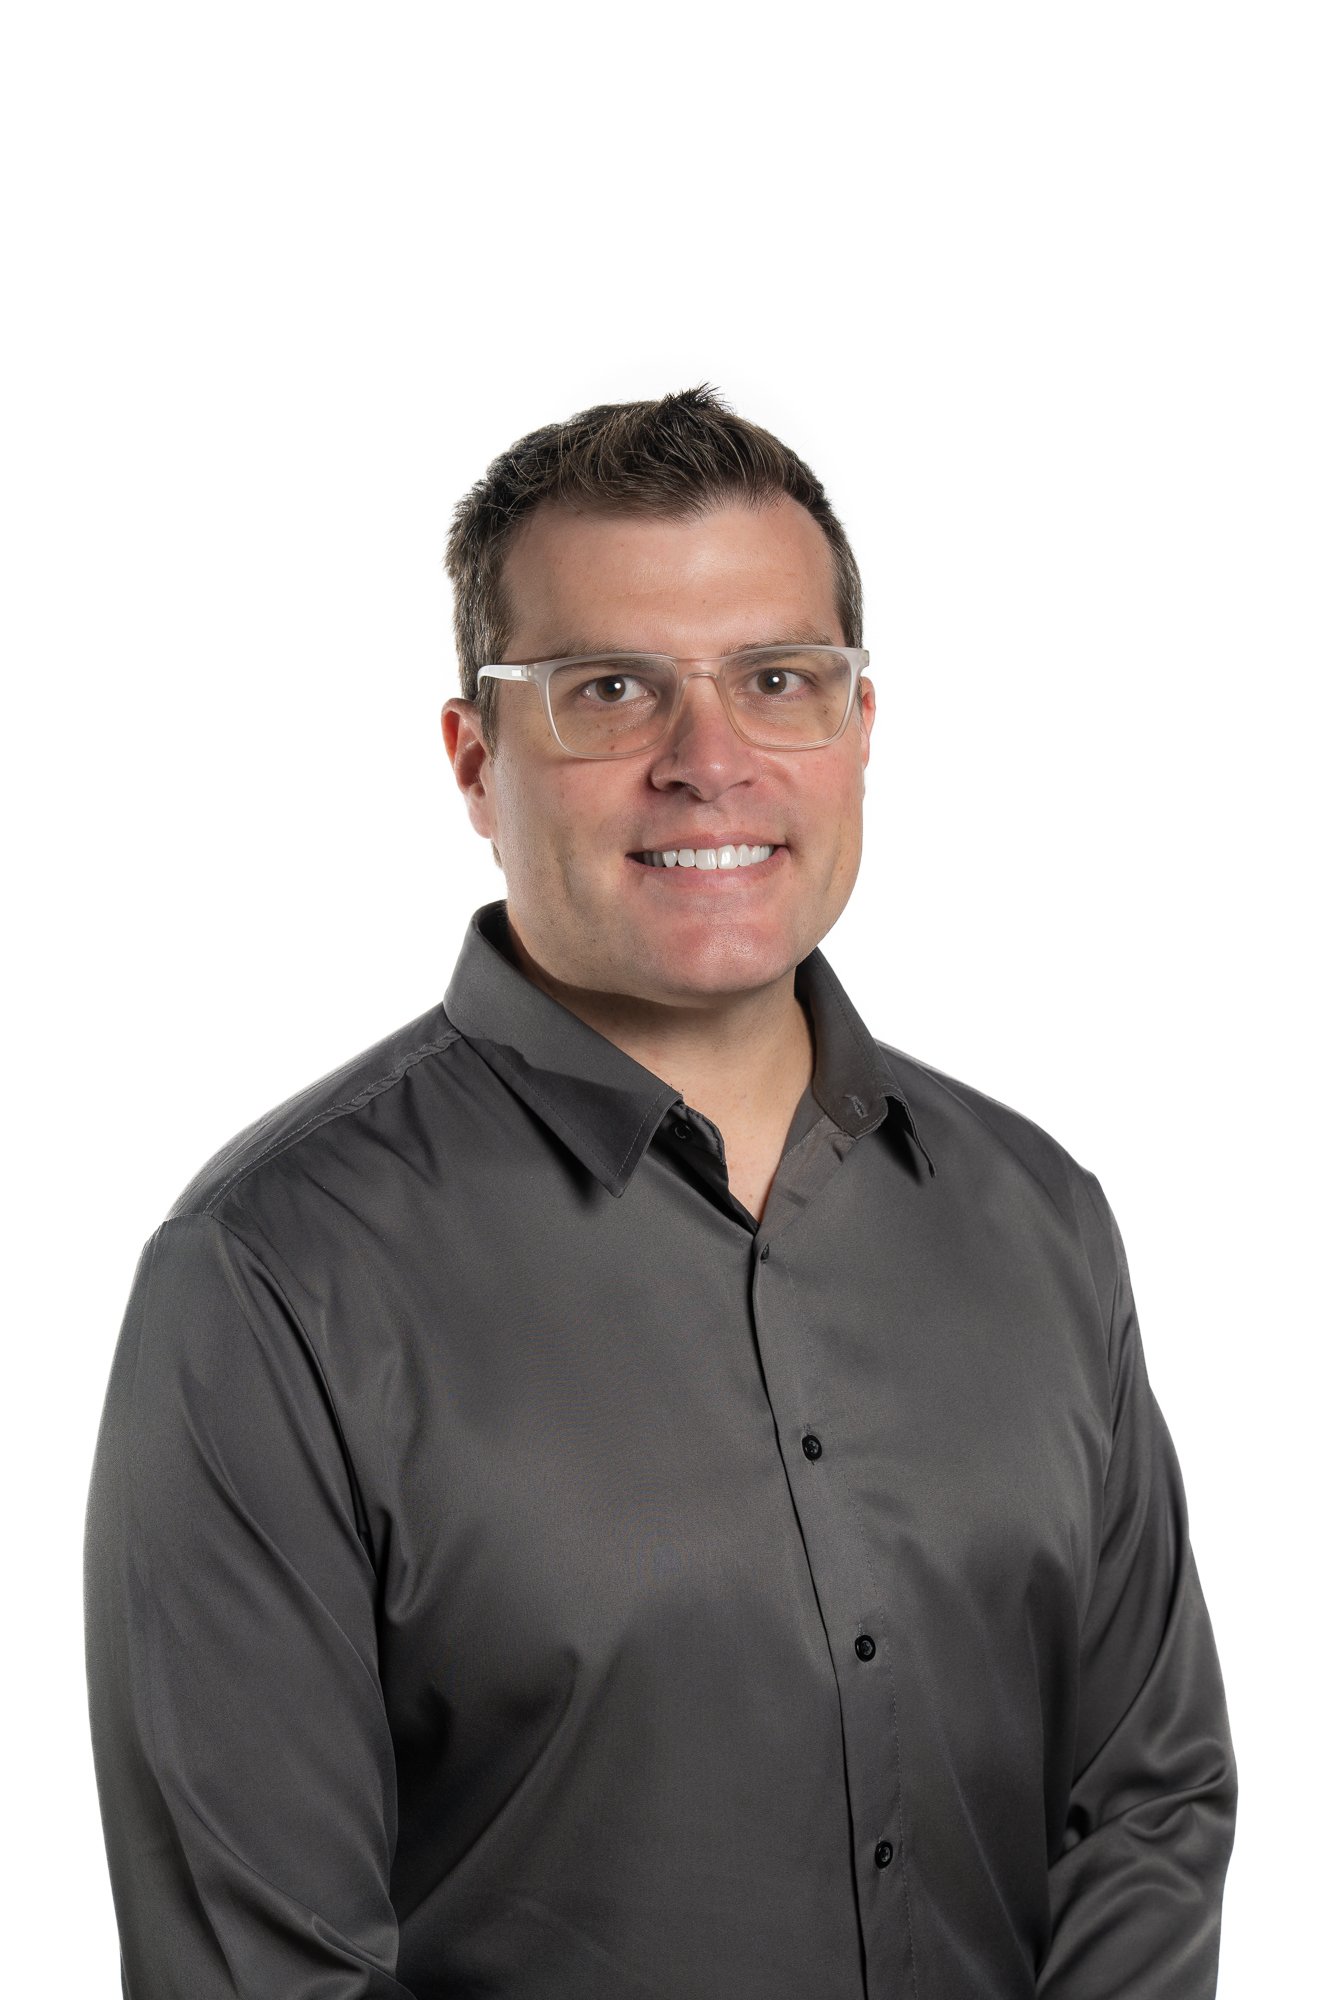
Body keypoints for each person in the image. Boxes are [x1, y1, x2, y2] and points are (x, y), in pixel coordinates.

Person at [83, 385, 1238, 1999]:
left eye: (776, 680)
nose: (707, 763)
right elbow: (261, 1964)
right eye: (609, 690)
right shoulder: (274, 1277)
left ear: (856, 727)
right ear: (475, 763)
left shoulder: (1035, 1214)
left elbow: (1145, 1797)